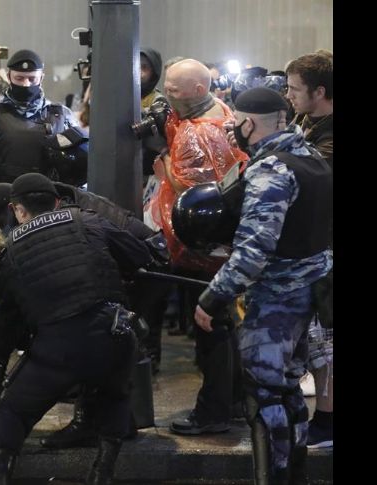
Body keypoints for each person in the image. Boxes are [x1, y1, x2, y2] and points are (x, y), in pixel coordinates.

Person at [191, 87, 332, 484]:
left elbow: (254, 250)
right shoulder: (312, 158)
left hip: (275, 301)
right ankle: (295, 474)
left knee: (265, 398)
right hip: (310, 298)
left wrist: (212, 296)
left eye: (237, 123)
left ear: (249, 124)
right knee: (288, 391)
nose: (235, 130)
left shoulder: (272, 171)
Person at [0, 173, 154, 485]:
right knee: (114, 394)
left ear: (17, 210)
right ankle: (103, 471)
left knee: (14, 410)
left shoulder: (12, 250)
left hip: (57, 347)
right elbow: (141, 255)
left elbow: (9, 320)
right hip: (113, 332)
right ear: (56, 201)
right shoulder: (87, 220)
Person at [149, 58, 248, 436]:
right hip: (221, 245)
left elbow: (193, 194)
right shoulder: (221, 112)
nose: (167, 95)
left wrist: (165, 163)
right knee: (223, 324)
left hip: (198, 248)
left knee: (210, 328)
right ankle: (234, 400)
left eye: (173, 90)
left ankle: (213, 411)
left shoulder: (196, 133)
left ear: (198, 90)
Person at [285, 52, 333, 450]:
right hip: (313, 244)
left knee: (327, 340)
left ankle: (329, 422)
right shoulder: (306, 122)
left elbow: (303, 177)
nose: (288, 96)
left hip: (326, 247)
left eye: (294, 89)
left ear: (320, 91)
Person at [0, 49, 88, 188]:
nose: (26, 84)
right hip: (2, 196)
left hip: (50, 196)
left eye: (32, 79)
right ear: (9, 76)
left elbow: (80, 167)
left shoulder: (61, 115)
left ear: (41, 78)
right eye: (19, 78)